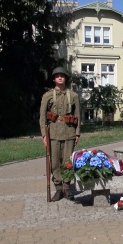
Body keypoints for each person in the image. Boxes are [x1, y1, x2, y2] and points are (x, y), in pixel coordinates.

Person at [39, 67, 80, 202]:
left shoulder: (73, 96)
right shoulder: (47, 96)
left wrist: (77, 133)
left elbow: (77, 115)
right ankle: (58, 188)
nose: (60, 78)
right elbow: (42, 117)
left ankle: (67, 188)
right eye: (57, 76)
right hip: (54, 133)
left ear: (66, 78)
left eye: (62, 76)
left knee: (67, 161)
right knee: (55, 162)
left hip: (69, 132)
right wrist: (44, 135)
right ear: (54, 79)